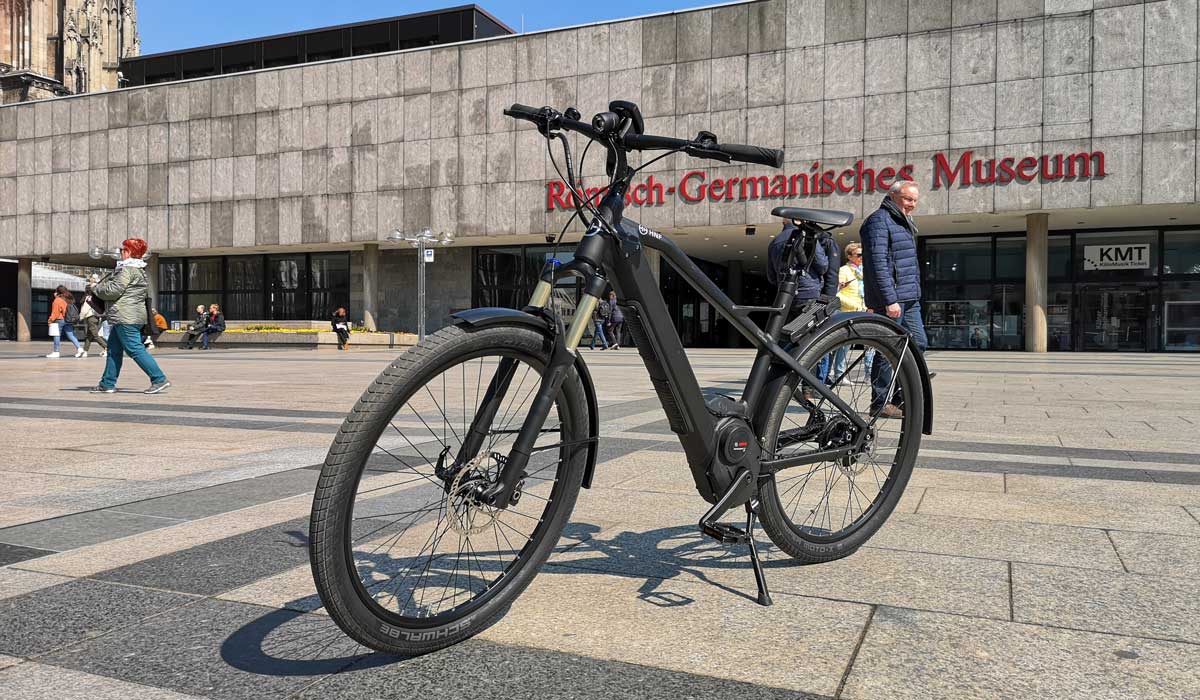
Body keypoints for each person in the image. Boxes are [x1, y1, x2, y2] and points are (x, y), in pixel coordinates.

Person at [861, 180, 927, 418]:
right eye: (908, 199)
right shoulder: (879, 221)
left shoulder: (903, 221)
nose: (912, 204)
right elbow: (878, 264)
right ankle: (879, 403)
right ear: (893, 196)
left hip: (910, 297)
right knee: (886, 349)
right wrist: (890, 300)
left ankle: (900, 399)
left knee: (918, 344)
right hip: (890, 299)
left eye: (915, 200)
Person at [91, 238, 170, 394]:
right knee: (113, 350)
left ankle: (159, 379)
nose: (120, 252)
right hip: (129, 316)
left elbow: (112, 291)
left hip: (125, 317)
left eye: (123, 250)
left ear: (129, 252)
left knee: (135, 349)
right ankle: (107, 383)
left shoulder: (127, 270)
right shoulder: (139, 270)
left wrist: (95, 288)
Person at [830, 242, 873, 382]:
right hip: (848, 311)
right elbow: (837, 293)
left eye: (863, 255)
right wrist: (854, 305)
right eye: (859, 255)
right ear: (849, 256)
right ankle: (839, 374)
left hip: (865, 310)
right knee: (845, 345)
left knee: (870, 343)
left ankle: (869, 374)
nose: (862, 257)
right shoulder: (844, 270)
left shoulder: (865, 271)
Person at [46, 286, 83, 359]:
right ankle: (80, 349)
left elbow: (55, 313)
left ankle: (56, 352)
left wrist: (50, 321)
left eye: (55, 291)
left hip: (60, 319)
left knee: (56, 335)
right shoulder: (68, 299)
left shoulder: (57, 300)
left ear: (57, 292)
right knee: (70, 335)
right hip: (68, 320)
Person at [78, 275, 108, 358]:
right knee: (89, 335)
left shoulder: (88, 298)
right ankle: (85, 351)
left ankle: (107, 347)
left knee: (95, 335)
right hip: (98, 317)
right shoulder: (98, 297)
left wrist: (79, 318)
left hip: (91, 318)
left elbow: (85, 309)